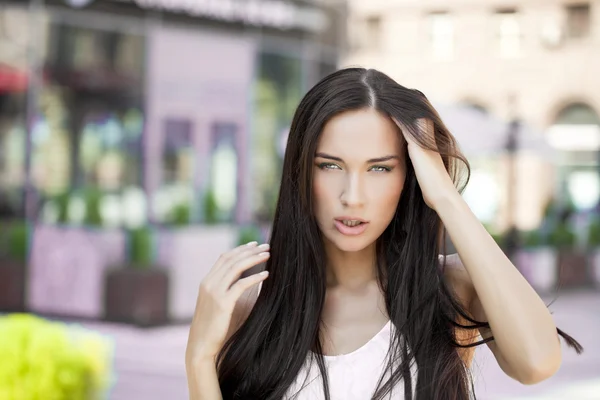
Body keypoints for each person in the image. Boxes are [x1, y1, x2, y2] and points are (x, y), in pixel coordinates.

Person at [185, 68, 582, 400]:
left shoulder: (446, 288)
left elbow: (537, 362)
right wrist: (200, 359)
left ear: (408, 176)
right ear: (301, 172)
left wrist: (444, 194)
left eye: (379, 168)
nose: (352, 197)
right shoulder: (251, 306)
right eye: (330, 165)